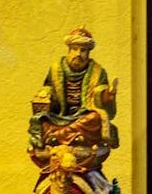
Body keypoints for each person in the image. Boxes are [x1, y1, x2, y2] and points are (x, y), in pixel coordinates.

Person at [28, 26, 119, 160]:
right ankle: (72, 137)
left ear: (88, 52)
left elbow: (101, 96)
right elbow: (48, 87)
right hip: (59, 116)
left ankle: (57, 136)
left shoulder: (98, 71)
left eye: (83, 50)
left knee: (95, 119)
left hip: (84, 116)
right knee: (41, 120)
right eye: (75, 49)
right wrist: (45, 93)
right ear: (69, 50)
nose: (78, 54)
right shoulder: (56, 69)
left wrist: (108, 95)